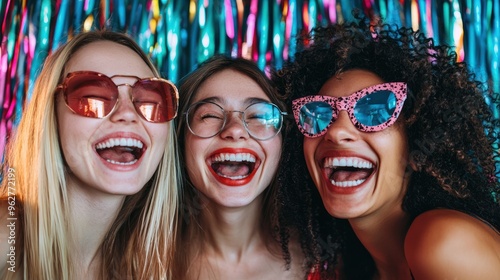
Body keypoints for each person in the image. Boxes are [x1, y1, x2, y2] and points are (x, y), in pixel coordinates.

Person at [273, 18, 500, 279]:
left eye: (375, 111)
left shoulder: (442, 242)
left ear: (415, 147)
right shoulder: (350, 267)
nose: (335, 132)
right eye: (318, 114)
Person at [0, 30, 180, 279]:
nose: (127, 113)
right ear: (51, 117)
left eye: (149, 99)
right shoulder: (6, 234)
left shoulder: (151, 264)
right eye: (93, 97)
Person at [173, 55, 305, 279]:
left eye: (258, 116)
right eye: (210, 115)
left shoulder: (327, 259)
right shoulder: (137, 261)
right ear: (180, 138)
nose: (235, 130)